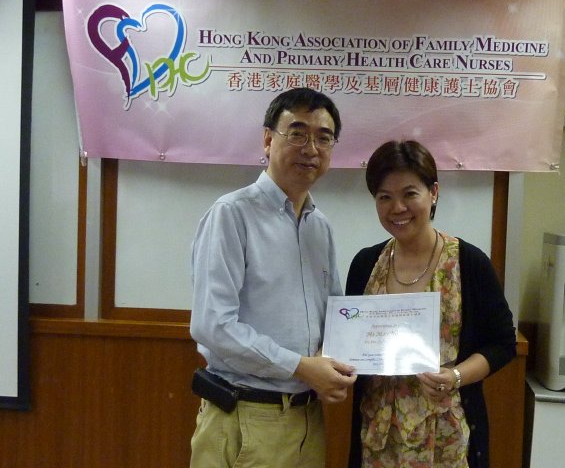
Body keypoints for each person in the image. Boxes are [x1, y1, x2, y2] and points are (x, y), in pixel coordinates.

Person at [189, 87, 357, 468]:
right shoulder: (231, 215)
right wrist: (301, 367)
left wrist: (332, 359)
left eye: (324, 138)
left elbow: (333, 316)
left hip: (307, 419)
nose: (311, 148)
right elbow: (213, 326)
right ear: (268, 139)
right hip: (246, 416)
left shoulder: (320, 227)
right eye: (297, 133)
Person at [346, 140, 516, 468]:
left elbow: (503, 343)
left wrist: (455, 376)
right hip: (378, 437)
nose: (397, 207)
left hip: (447, 436)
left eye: (409, 193)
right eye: (384, 197)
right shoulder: (365, 264)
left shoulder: (469, 263)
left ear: (433, 192)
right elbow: (351, 343)